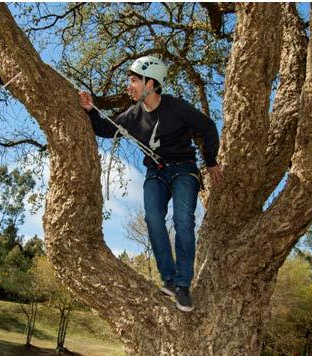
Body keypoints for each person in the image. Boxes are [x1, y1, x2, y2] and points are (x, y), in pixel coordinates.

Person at [79, 56, 222, 312]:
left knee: (183, 221)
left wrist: (211, 162)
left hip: (184, 172)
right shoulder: (133, 115)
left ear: (151, 82)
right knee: (154, 219)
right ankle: (168, 278)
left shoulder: (177, 107)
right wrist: (90, 110)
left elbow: (208, 127)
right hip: (155, 174)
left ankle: (183, 286)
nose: (129, 86)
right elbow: (106, 128)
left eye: (134, 80)